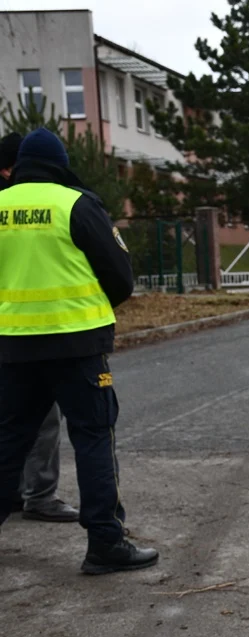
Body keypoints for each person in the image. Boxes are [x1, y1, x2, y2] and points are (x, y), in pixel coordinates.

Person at [0, 128, 158, 574]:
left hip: (12, 347)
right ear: (60, 162)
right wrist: (87, 306)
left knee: (9, 440)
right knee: (92, 437)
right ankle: (105, 543)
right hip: (76, 345)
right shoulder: (75, 204)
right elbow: (120, 276)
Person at [1, 132, 79, 523]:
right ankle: (39, 495)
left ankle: (16, 492)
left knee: (11, 422)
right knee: (42, 420)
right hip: (38, 332)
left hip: (11, 331)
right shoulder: (52, 203)